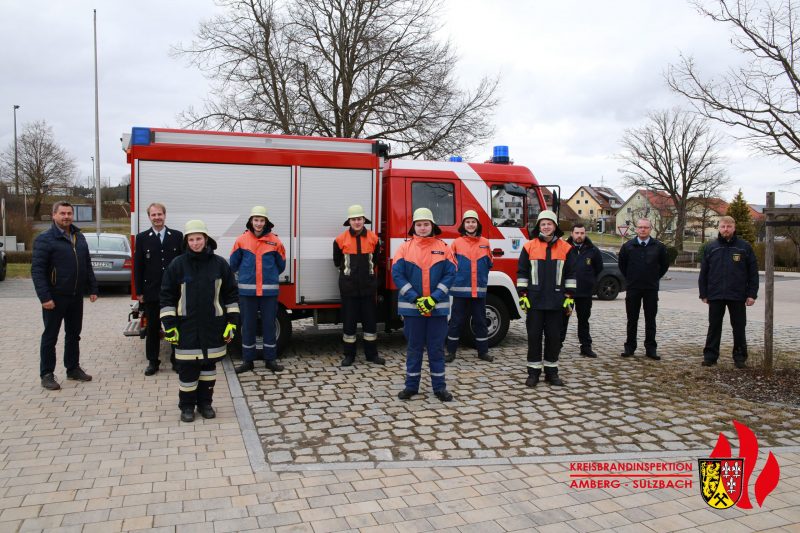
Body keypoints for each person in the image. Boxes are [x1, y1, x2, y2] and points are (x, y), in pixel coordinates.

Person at [160, 220, 239, 422]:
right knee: (187, 372)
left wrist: (232, 322)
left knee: (208, 370)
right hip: (186, 328)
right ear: (187, 242)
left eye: (199, 239)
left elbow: (231, 295)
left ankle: (206, 404)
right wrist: (169, 326)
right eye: (192, 239)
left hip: (213, 327)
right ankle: (187, 407)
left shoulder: (220, 264)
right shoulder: (177, 265)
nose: (196, 243)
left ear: (206, 240)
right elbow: (167, 297)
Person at [32, 201, 98, 390]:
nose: (66, 216)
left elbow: (86, 263)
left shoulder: (79, 237)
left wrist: (93, 288)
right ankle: (46, 374)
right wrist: (45, 297)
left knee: (74, 335)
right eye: (62, 213)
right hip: (55, 297)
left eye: (69, 213)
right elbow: (37, 271)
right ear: (54, 216)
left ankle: (73, 368)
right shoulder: (45, 239)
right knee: (50, 336)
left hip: (76, 296)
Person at [392, 208, 456, 402]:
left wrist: (433, 299)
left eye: (426, 224)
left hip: (437, 310)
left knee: (436, 349)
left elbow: (450, 274)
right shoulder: (404, 248)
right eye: (419, 225)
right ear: (414, 227)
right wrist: (416, 298)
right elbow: (397, 274)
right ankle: (411, 387)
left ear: (432, 226)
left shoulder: (444, 247)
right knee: (414, 348)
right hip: (413, 311)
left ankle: (439, 388)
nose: (422, 228)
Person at [517, 210, 576, 387]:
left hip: (557, 302)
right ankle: (533, 373)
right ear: (539, 226)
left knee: (554, 338)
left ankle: (551, 373)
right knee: (534, 337)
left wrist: (569, 297)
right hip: (534, 301)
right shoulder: (529, 247)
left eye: (549, 223)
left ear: (555, 226)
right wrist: (523, 294)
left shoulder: (566, 248)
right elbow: (522, 272)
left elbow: (571, 275)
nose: (546, 226)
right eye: (543, 224)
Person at [230, 206, 286, 374]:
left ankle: (271, 359)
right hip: (247, 293)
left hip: (269, 292)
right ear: (251, 221)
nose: (259, 223)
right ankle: (248, 360)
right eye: (256, 220)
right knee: (248, 326)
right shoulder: (241, 240)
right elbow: (233, 264)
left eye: (262, 220)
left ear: (266, 222)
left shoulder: (275, 241)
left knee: (269, 325)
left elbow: (281, 265)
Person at [699, 216, 758, 369]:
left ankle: (740, 357)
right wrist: (703, 293)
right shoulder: (711, 247)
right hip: (716, 294)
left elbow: (753, 273)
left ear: (734, 228)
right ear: (719, 228)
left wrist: (752, 294)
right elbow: (704, 273)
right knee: (714, 326)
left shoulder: (744, 247)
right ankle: (710, 356)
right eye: (723, 226)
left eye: (729, 226)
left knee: (739, 327)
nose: (726, 229)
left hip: (737, 295)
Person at [134, 202, 183, 376]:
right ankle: (153, 362)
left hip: (174, 292)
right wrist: (139, 292)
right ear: (149, 217)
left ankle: (177, 360)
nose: (157, 218)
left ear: (164, 215)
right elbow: (138, 267)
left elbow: (183, 265)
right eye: (153, 215)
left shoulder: (177, 236)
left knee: (175, 326)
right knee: (153, 328)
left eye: (159, 214)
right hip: (151, 292)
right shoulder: (142, 238)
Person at [333, 204, 385, 367]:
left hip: (368, 288)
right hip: (348, 288)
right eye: (354, 219)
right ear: (349, 221)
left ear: (364, 220)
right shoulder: (340, 239)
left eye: (360, 219)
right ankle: (349, 355)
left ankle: (372, 355)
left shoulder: (374, 238)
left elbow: (375, 260)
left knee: (370, 323)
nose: (357, 222)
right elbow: (337, 262)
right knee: (349, 323)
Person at [618, 218, 669, 360]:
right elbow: (622, 265)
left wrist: (654, 277)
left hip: (651, 289)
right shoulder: (628, 246)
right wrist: (630, 278)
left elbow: (664, 266)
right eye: (640, 227)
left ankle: (651, 349)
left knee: (650, 319)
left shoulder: (658, 247)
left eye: (645, 227)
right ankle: (630, 347)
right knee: (632, 319)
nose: (642, 229)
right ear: (636, 229)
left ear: (650, 229)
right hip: (633, 288)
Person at [446, 210, 493, 363]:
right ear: (463, 224)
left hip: (479, 291)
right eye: (468, 222)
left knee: (480, 321)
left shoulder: (485, 242)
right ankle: (451, 352)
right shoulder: (456, 243)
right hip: (460, 291)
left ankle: (483, 352)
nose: (470, 224)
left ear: (477, 224)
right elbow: (450, 265)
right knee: (456, 321)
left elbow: (490, 263)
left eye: (473, 221)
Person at [559, 223, 603, 358]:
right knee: (562, 320)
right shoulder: (564, 248)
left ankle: (586, 347)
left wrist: (590, 281)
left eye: (582, 233)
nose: (579, 236)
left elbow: (598, 268)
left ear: (585, 234)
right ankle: (557, 346)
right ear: (572, 234)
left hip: (585, 292)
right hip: (567, 292)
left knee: (584, 320)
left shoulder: (593, 250)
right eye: (577, 233)